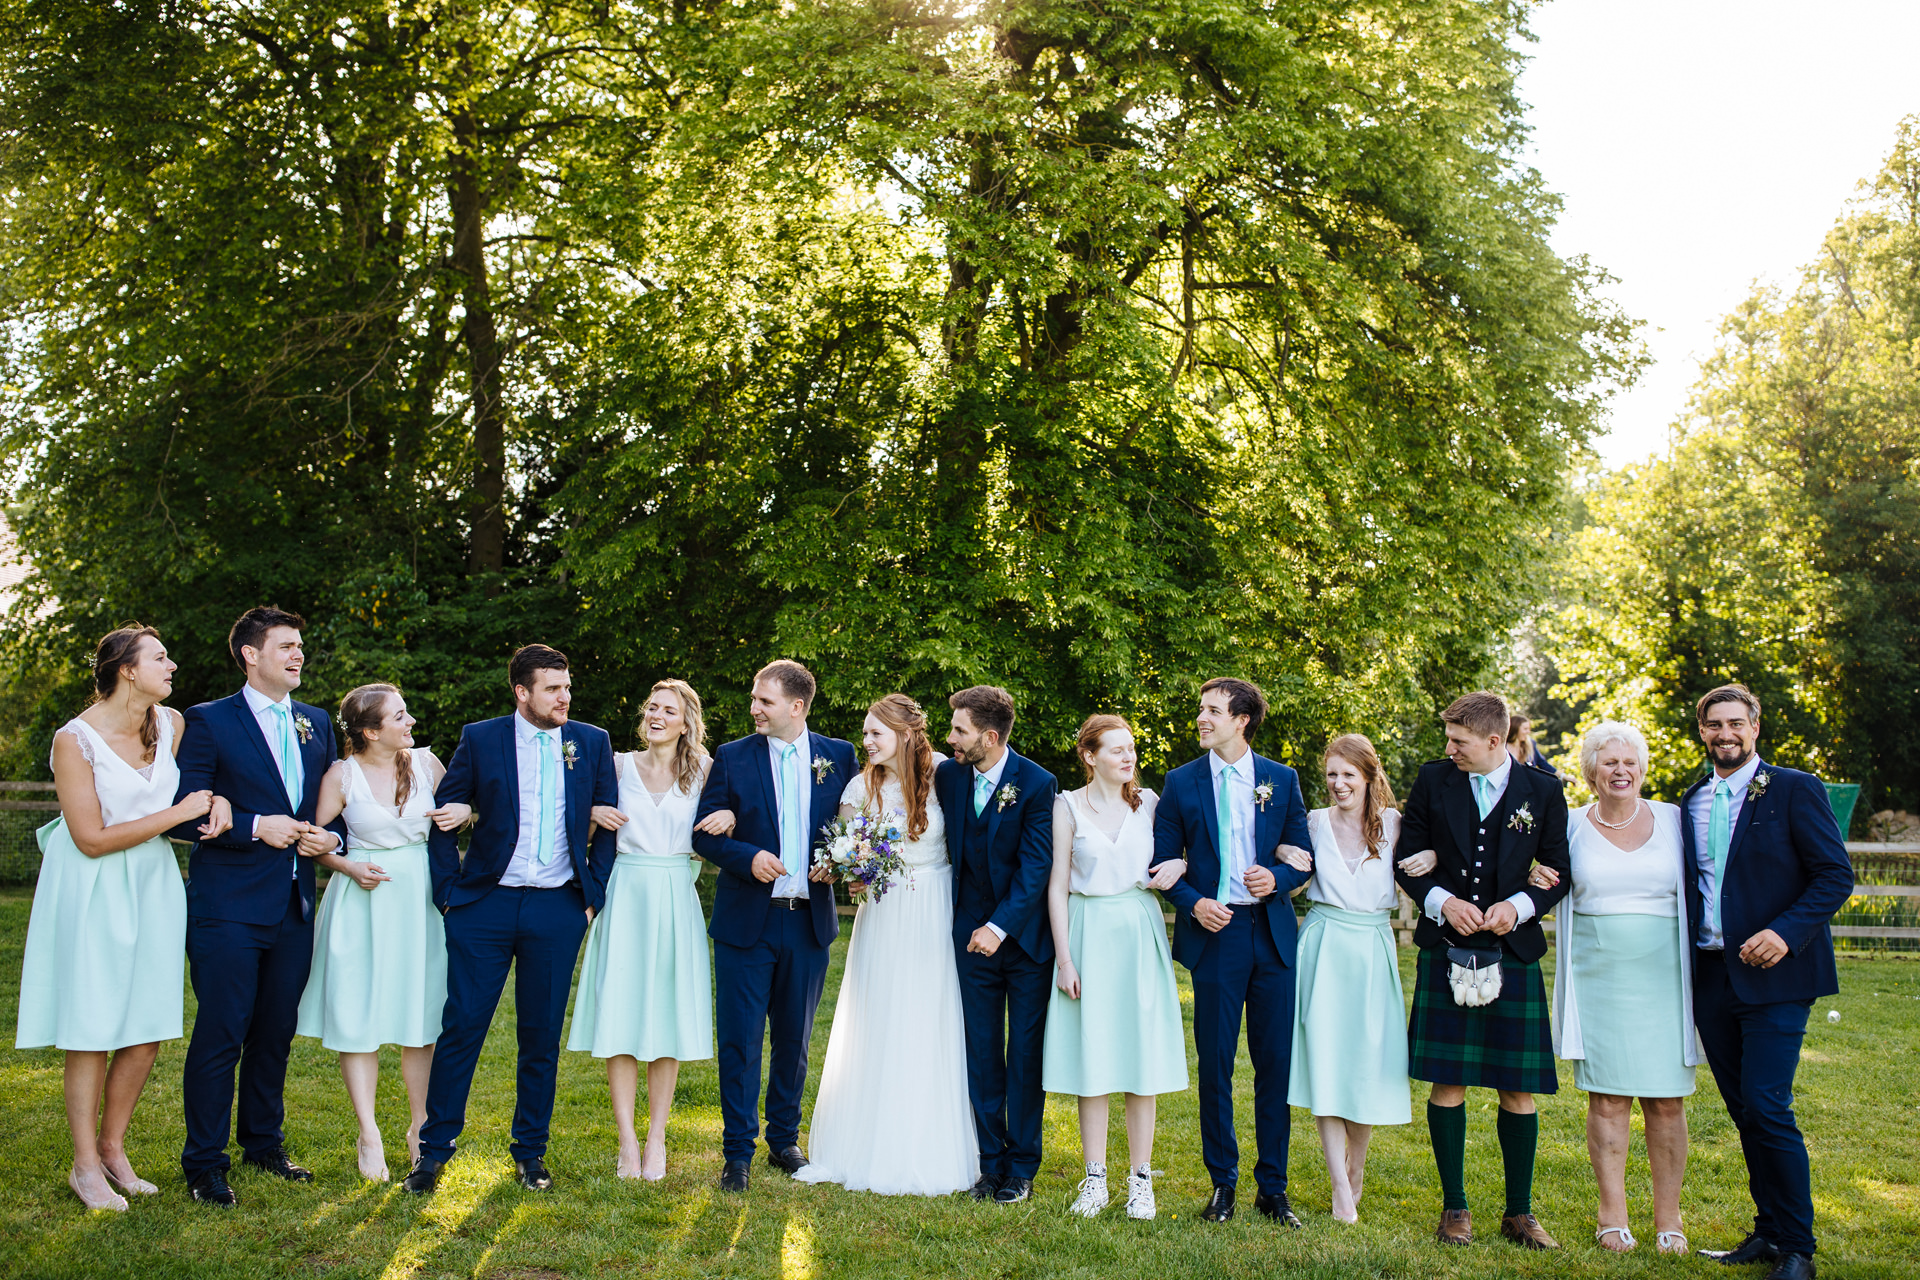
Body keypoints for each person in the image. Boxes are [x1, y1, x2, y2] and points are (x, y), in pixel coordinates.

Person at [17, 626, 220, 1210]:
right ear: (127, 669)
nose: (172, 664)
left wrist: (218, 802)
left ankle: (113, 1148)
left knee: (149, 1023)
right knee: (92, 1025)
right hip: (93, 886)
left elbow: (205, 788)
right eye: (161, 657)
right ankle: (83, 1165)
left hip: (155, 885)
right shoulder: (73, 740)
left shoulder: (173, 724)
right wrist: (177, 812)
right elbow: (90, 839)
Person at [404, 644, 619, 1195]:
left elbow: (608, 822)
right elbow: (444, 816)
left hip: (558, 907)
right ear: (522, 692)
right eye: (552, 688)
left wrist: (589, 894)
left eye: (567, 686)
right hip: (485, 905)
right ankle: (434, 1151)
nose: (564, 696)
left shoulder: (590, 742)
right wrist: (449, 894)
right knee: (463, 1026)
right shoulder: (482, 737)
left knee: (540, 1036)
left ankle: (530, 1153)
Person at [172, 606, 346, 1206]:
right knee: (223, 1030)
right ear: (250, 654)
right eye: (286, 646)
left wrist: (333, 837)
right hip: (228, 906)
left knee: (275, 1032)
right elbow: (184, 809)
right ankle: (204, 1162)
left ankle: (263, 1142)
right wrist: (251, 826)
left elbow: (332, 806)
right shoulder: (210, 720)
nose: (299, 655)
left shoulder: (316, 721)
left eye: (301, 646)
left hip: (295, 904)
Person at [1681, 685, 1852, 1280]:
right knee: (1744, 1110)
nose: (1725, 734)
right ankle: (1768, 1231)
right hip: (1712, 977)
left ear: (1755, 726)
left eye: (1736, 723)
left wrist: (1784, 932)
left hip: (1778, 976)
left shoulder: (1794, 788)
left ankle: (1799, 1248)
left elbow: (1835, 875)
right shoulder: (1693, 799)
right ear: (1702, 731)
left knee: (1768, 1104)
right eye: (1713, 725)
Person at [1393, 690, 1570, 1250]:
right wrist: (1443, 901)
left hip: (1512, 953)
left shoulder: (1543, 790)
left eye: (1459, 741)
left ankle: (1519, 1213)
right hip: (1446, 946)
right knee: (1449, 1080)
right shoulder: (1433, 780)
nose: (1450, 749)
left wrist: (1517, 908)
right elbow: (1410, 862)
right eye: (1448, 739)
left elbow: (1560, 870)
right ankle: (1455, 1209)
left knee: (1517, 1087)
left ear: (1495, 741)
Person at [795, 694, 977, 1195]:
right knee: (879, 1016)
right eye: (866, 732)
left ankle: (930, 1142)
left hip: (935, 906)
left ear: (905, 733)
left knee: (929, 1017)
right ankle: (864, 1142)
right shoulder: (859, 785)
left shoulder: (944, 774)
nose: (867, 741)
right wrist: (845, 869)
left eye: (876, 733)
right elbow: (849, 850)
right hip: (884, 911)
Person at [1529, 721, 1699, 1254]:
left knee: (1667, 1102)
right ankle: (1612, 1215)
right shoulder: (1571, 825)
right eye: (1609, 763)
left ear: (1642, 769)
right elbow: (1543, 876)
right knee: (1608, 1098)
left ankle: (1669, 1219)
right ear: (1591, 772)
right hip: (1598, 977)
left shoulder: (1674, 819)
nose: (1620, 771)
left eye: (1629, 762)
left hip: (1666, 980)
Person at [1148, 677, 1312, 1227]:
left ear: (1242, 720)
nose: (1201, 718)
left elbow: (1301, 854)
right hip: (1215, 937)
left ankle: (1275, 1188)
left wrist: (1278, 876)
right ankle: (1223, 1184)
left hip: (1270, 934)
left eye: (1213, 711)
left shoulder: (1281, 779)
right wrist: (1194, 903)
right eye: (1201, 709)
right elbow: (1165, 861)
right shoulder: (1180, 783)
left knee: (1274, 1066)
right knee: (1215, 1064)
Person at [694, 660, 856, 1193]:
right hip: (748, 921)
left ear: (797, 706)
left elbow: (852, 830)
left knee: (794, 1039)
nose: (754, 708)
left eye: (765, 700)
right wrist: (747, 855)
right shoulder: (732, 757)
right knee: (740, 1040)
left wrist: (841, 862)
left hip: (808, 920)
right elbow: (706, 835)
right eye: (754, 699)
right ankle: (737, 1151)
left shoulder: (838, 757)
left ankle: (784, 1140)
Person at [569, 679, 732, 1181]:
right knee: (619, 1014)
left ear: (687, 722)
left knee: (665, 1019)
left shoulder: (705, 770)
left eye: (669, 710)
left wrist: (728, 813)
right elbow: (575, 823)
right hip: (625, 893)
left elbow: (738, 819)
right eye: (652, 707)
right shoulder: (615, 765)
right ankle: (627, 1141)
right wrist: (592, 813)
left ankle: (657, 1136)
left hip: (674, 896)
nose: (657, 715)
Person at [297, 684, 461, 1182]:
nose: (410, 722)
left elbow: (463, 810)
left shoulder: (429, 765)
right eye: (399, 716)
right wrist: (347, 866)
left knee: (421, 1016)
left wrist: (464, 813)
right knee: (358, 1015)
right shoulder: (340, 775)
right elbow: (309, 838)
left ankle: (419, 1128)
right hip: (361, 901)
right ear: (370, 731)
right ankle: (368, 1132)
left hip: (418, 901)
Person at [1041, 714, 1187, 1221]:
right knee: (1094, 1058)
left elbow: (1181, 856)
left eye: (1132, 749)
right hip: (1087, 929)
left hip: (1138, 930)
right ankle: (1095, 1178)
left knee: (1139, 1058)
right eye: (1117, 749)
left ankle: (1140, 1180)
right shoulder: (1067, 807)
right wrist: (1065, 958)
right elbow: (1057, 885)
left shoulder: (1150, 805)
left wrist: (1181, 865)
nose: (1129, 757)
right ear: (1090, 756)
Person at [936, 685, 1058, 1205]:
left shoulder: (1036, 783)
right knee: (982, 1051)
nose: (951, 740)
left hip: (1025, 945)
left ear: (989, 736)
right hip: (969, 940)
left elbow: (1036, 869)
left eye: (959, 731)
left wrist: (999, 927)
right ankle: (989, 1164)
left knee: (1025, 1055)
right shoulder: (949, 775)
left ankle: (1022, 1167)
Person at [1285, 733, 1413, 1224]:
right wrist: (1287, 862)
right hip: (1324, 943)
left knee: (1365, 1060)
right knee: (1326, 1059)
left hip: (1373, 947)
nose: (1339, 784)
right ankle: (1339, 1184)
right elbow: (1288, 869)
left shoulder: (1396, 827)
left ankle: (1356, 1170)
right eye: (1332, 775)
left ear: (1368, 776)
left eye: (1348, 775)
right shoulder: (1311, 823)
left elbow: (1425, 872)